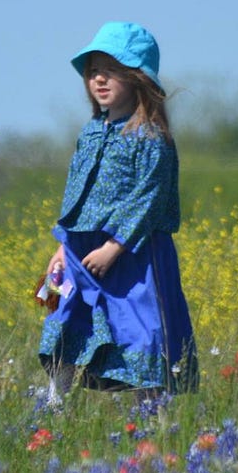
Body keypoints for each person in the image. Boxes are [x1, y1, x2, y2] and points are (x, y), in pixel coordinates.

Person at [38, 21, 198, 403]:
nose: (99, 79)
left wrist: (115, 246)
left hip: (134, 255)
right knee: (67, 322)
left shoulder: (150, 137)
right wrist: (63, 244)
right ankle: (52, 407)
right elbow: (77, 191)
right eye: (93, 71)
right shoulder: (90, 132)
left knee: (142, 335)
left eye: (111, 70)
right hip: (81, 252)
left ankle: (155, 423)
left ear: (138, 77)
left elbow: (150, 198)